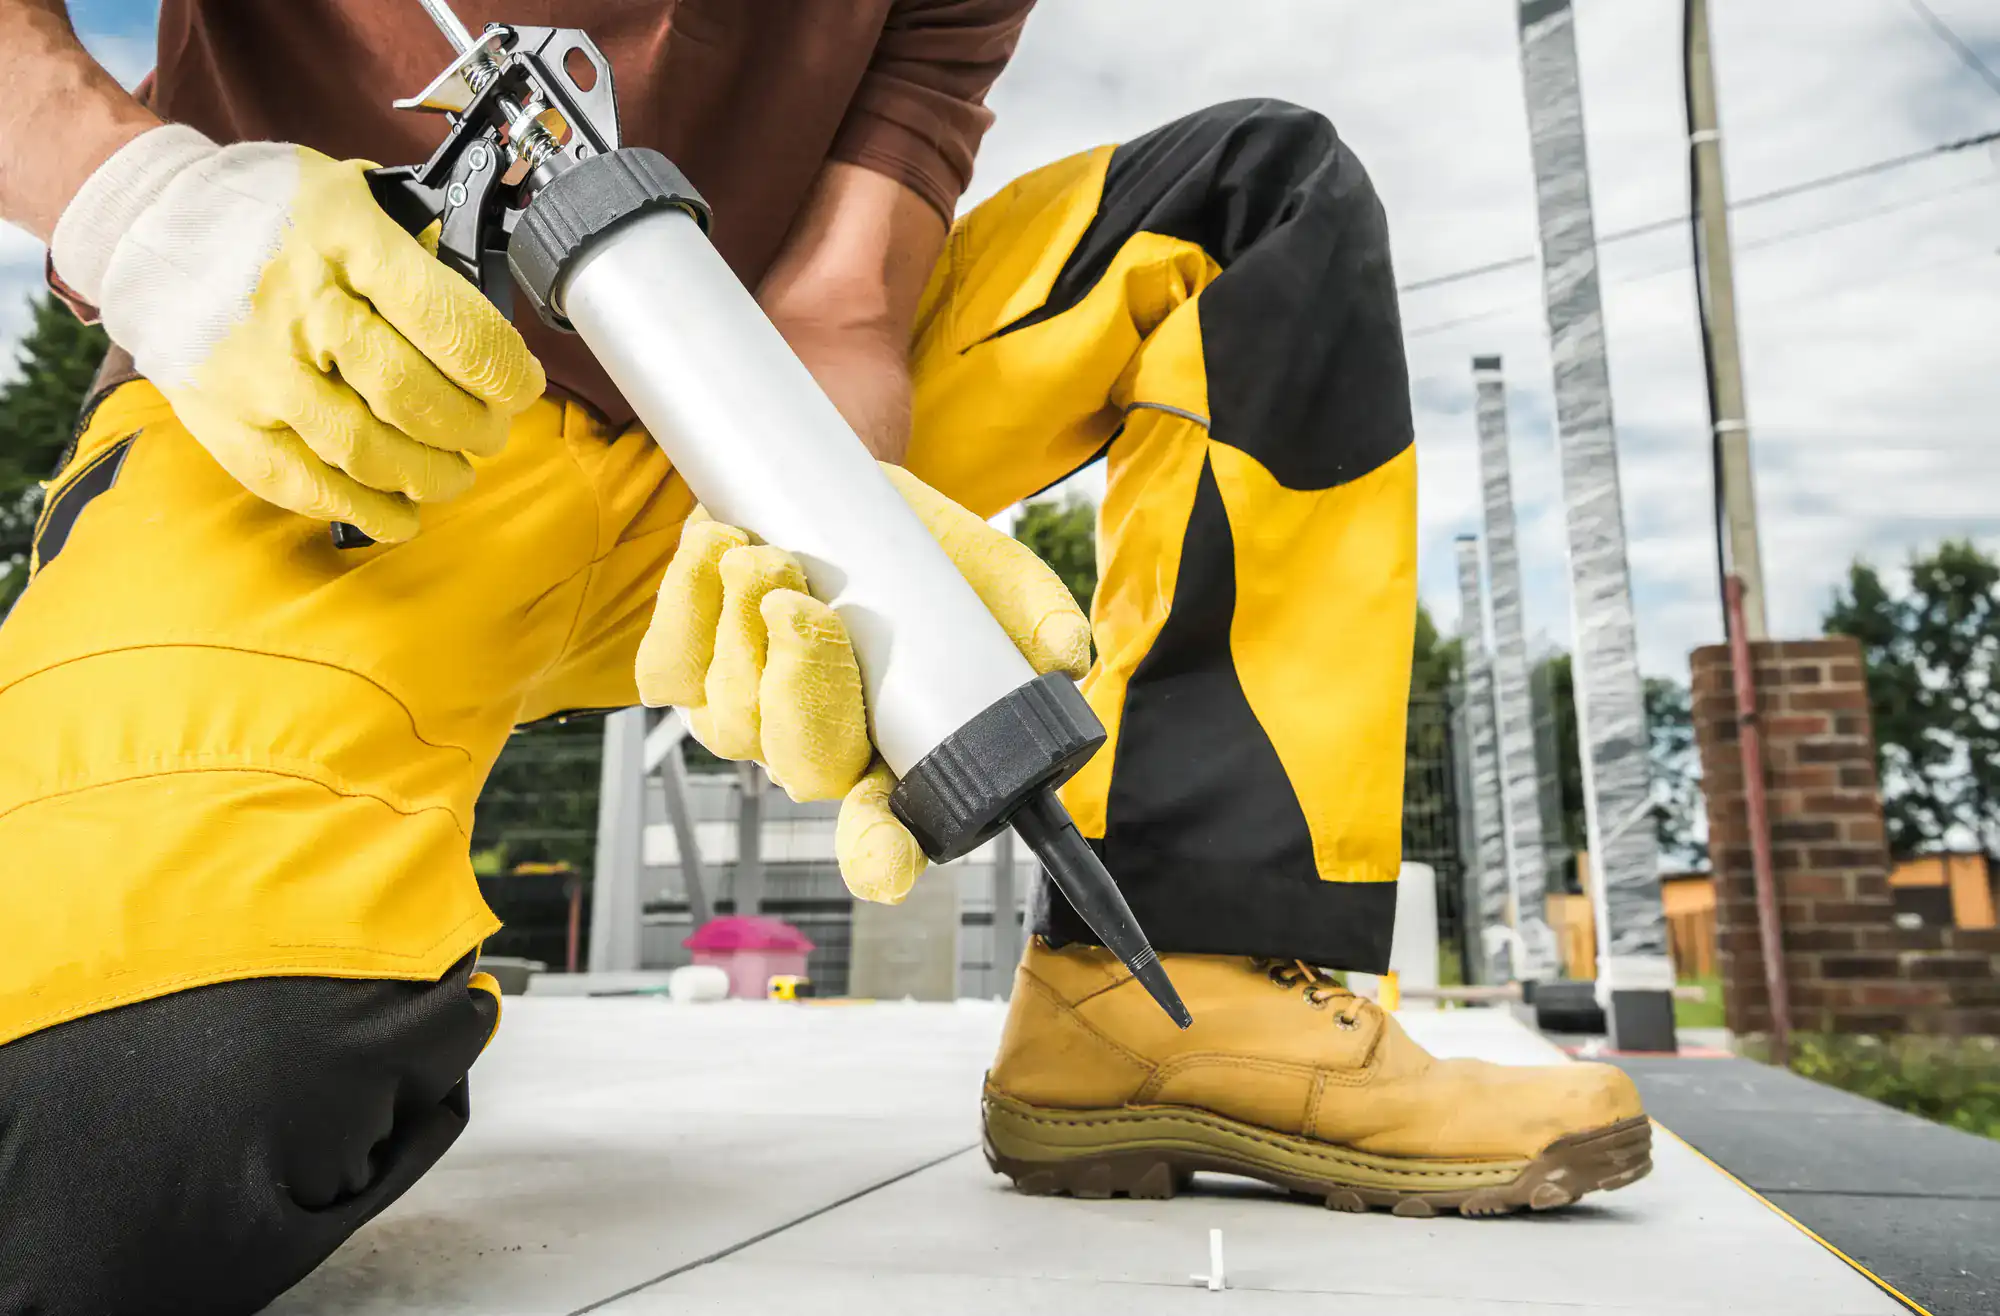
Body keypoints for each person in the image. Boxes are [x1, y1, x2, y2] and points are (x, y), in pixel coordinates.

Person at [0, 2, 1651, 1311]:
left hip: (723, 387)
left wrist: (820, 516)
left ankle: (1181, 996)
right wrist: (138, 197)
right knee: (119, 1143)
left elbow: (847, 298)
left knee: (1243, 211)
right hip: (325, 405)